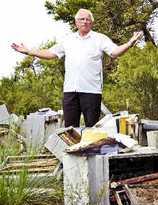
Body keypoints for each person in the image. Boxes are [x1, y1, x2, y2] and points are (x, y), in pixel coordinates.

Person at [11, 8, 143, 127]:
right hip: (70, 92)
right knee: (70, 129)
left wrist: (129, 43)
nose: (85, 22)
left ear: (91, 23)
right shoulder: (68, 40)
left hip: (91, 91)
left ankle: (91, 154)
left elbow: (115, 52)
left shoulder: (100, 39)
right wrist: (29, 51)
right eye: (81, 19)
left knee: (92, 129)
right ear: (76, 22)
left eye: (88, 19)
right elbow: (50, 54)